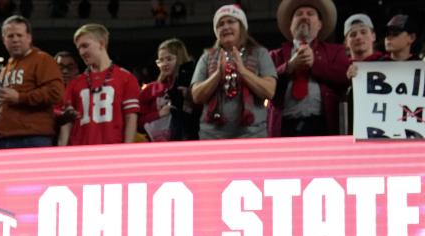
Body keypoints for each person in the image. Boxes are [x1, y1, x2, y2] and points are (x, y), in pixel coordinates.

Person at [192, 5, 277, 140]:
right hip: (212, 137)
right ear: (216, 31)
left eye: (231, 21)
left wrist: (243, 71)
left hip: (252, 136)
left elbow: (269, 91)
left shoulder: (260, 53)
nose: (225, 27)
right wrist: (218, 74)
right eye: (220, 24)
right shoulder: (207, 57)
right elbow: (196, 95)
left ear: (242, 27)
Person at [268, 0, 350, 137]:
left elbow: (344, 77)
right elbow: (266, 87)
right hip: (284, 126)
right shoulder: (275, 56)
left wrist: (315, 64)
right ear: (290, 26)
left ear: (320, 25)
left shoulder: (335, 51)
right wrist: (289, 67)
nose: (304, 17)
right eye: (299, 14)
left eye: (310, 14)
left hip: (323, 124)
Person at [58, 24, 139, 146]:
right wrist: (61, 153)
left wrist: (127, 151)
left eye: (85, 46)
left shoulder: (126, 78)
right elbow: (67, 125)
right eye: (79, 48)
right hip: (80, 152)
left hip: (113, 151)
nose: (81, 52)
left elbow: (131, 118)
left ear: (101, 43)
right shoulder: (75, 83)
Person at [0, 15, 63, 149]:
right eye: (10, 36)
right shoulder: (6, 68)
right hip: (5, 137)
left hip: (33, 136)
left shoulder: (42, 59)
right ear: (4, 40)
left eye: (19, 35)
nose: (15, 40)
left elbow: (55, 92)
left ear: (29, 37)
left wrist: (19, 97)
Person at [139, 38, 195, 141]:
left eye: (169, 59)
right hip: (157, 147)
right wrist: (159, 114)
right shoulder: (151, 89)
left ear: (179, 59)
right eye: (161, 60)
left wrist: (189, 97)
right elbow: (137, 121)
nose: (164, 64)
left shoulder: (194, 84)